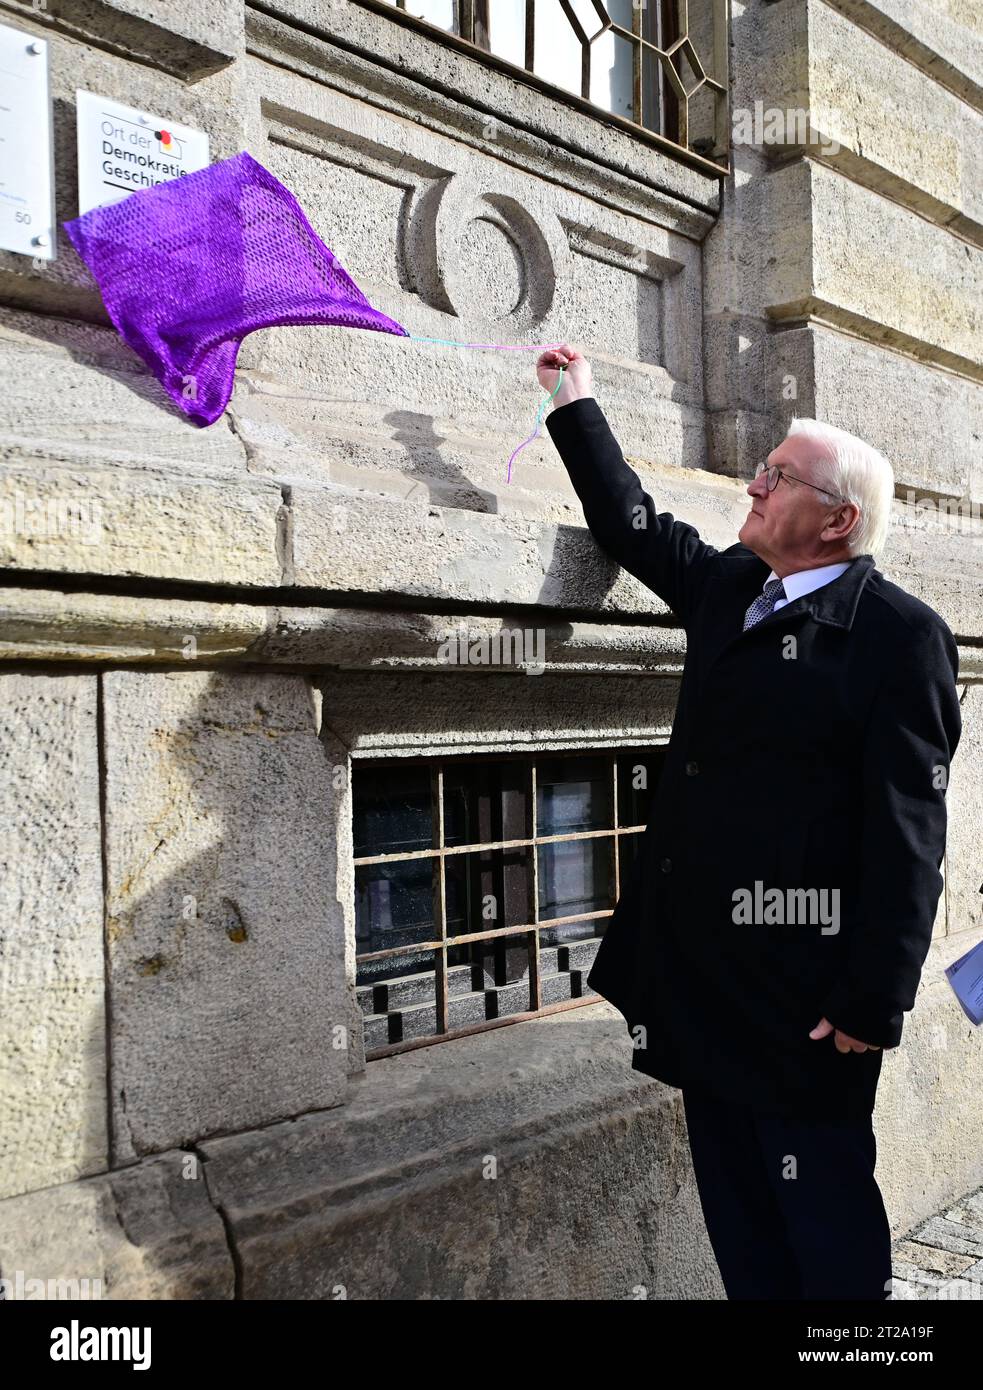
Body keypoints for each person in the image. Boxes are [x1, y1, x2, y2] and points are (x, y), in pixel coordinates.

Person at [538, 343, 962, 1300]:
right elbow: (636, 527)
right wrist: (577, 402)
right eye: (761, 468)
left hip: (808, 1006)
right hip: (704, 984)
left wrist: (870, 1005)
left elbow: (908, 840)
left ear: (838, 519)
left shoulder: (899, 638)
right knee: (740, 1222)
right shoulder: (733, 587)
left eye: (777, 475)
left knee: (826, 1230)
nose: (754, 483)